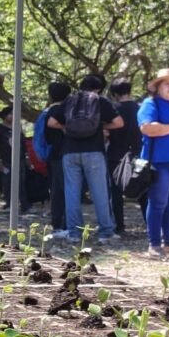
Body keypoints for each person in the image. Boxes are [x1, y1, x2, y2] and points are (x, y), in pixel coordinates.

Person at [48, 74, 121, 243]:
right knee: (100, 193)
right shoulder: (100, 100)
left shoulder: (69, 100)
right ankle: (106, 232)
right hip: (94, 152)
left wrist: (66, 128)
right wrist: (100, 126)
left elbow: (51, 122)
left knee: (72, 193)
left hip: (69, 152)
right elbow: (119, 123)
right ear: (99, 89)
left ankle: (74, 233)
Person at [138, 68, 169, 258]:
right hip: (158, 163)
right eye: (167, 83)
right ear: (158, 87)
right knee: (159, 203)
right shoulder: (150, 104)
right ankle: (154, 244)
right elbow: (148, 128)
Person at [107, 76, 142, 235]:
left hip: (115, 153)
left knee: (115, 192)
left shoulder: (112, 109)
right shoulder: (140, 108)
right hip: (138, 153)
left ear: (114, 93)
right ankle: (149, 223)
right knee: (143, 189)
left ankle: (119, 225)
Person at [41, 82, 71, 231]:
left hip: (52, 154)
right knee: (64, 189)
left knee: (56, 189)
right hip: (61, 154)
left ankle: (57, 221)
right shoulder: (61, 110)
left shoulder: (48, 110)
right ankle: (62, 223)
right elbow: (53, 124)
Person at [0, 105, 29, 213]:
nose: (12, 116)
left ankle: (24, 204)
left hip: (19, 159)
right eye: (10, 114)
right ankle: (9, 203)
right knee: (7, 182)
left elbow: (23, 143)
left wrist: (26, 156)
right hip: (6, 159)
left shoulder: (17, 128)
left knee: (21, 181)